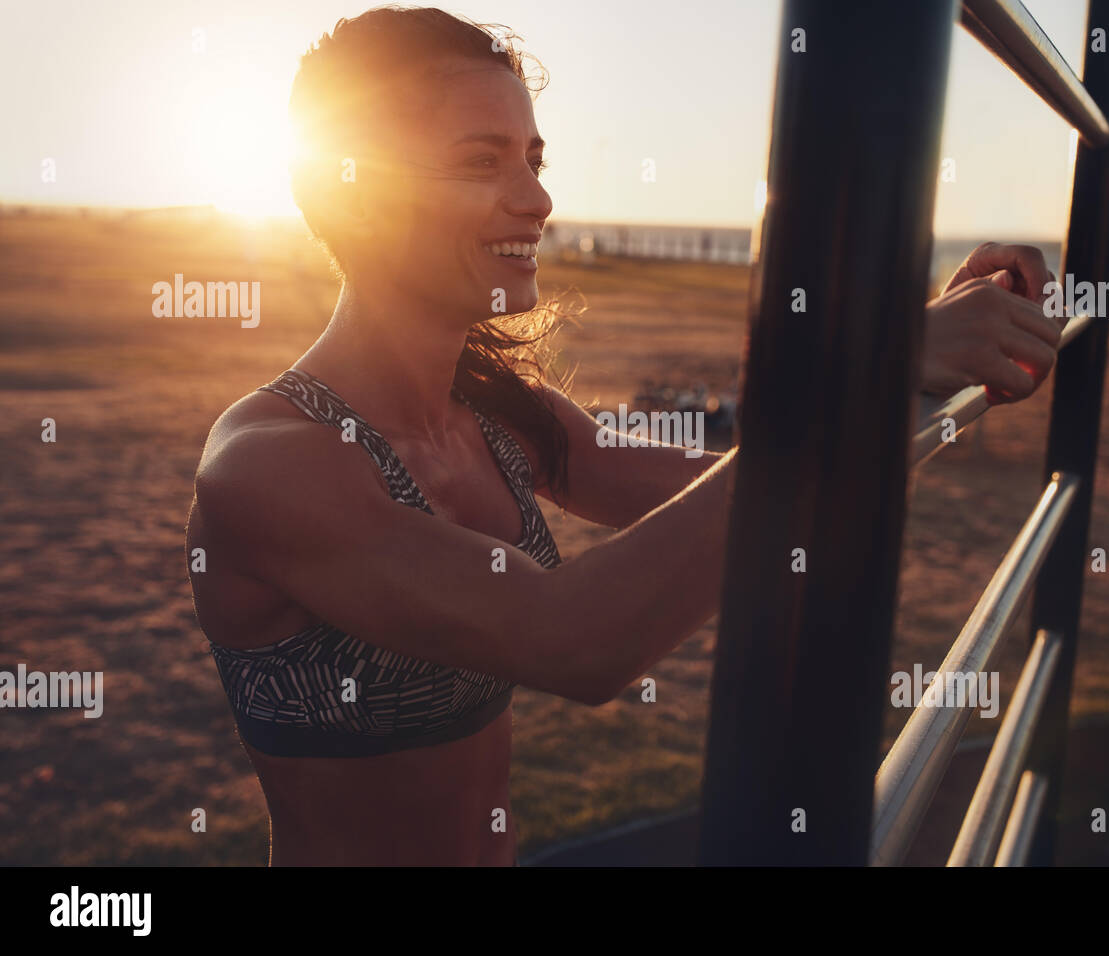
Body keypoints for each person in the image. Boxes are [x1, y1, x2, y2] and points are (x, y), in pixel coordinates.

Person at [185, 6, 1064, 866]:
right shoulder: (269, 466)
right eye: (481, 161)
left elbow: (736, 490)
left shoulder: (501, 412)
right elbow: (580, 640)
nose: (537, 199)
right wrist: (868, 378)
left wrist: (916, 366)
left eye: (533, 158)